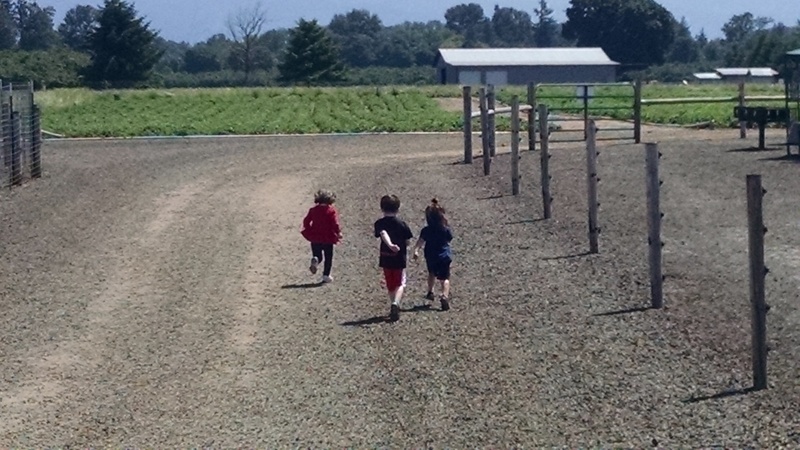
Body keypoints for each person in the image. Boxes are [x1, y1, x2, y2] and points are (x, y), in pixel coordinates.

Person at [374, 194, 413, 322]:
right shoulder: (402, 224)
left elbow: (381, 233)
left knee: (390, 284)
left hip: (385, 258)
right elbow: (407, 241)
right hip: (399, 259)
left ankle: (393, 304)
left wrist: (389, 244)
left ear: (382, 208)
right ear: (397, 208)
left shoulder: (379, 223)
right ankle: (395, 303)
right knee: (400, 283)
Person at [412, 199, 453, 311]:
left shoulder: (426, 230)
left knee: (431, 273)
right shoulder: (445, 230)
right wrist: (446, 224)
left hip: (431, 256)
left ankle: (430, 291)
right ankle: (444, 295)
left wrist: (416, 250)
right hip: (445, 256)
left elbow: (420, 241)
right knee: (445, 278)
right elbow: (449, 239)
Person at [301, 189, 342, 283]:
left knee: (318, 255)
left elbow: (306, 221)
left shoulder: (313, 210)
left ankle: (316, 260)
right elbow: (335, 223)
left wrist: (308, 230)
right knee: (328, 257)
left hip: (315, 237)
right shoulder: (331, 211)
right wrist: (338, 232)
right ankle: (326, 275)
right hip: (328, 237)